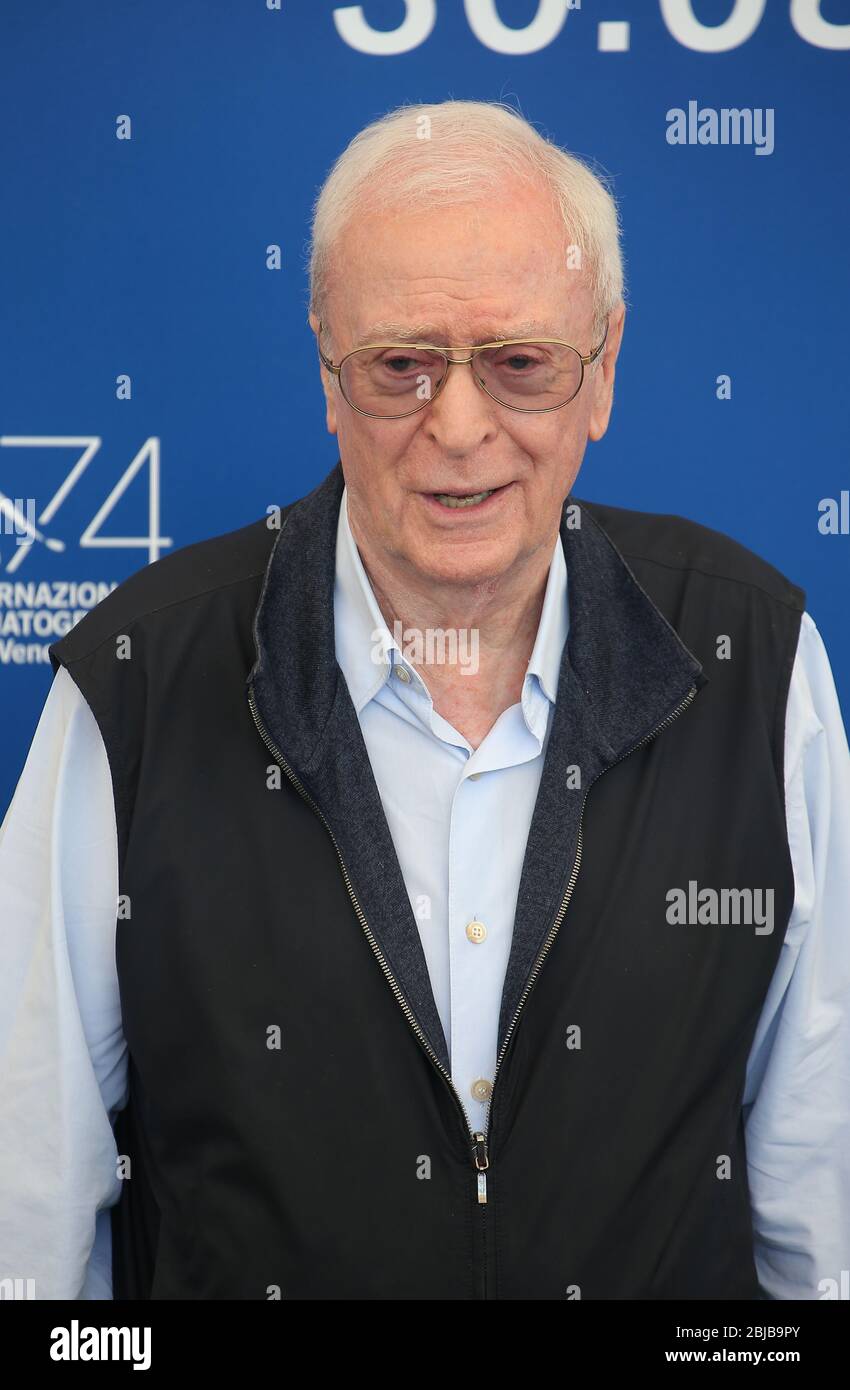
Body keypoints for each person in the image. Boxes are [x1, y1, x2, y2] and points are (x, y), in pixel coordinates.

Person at [1, 99, 848, 1301]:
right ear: (327, 375)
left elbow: (824, 1207)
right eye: (401, 365)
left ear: (600, 372)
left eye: (519, 364)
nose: (458, 425)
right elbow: (25, 1210)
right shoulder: (135, 684)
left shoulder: (754, 661)